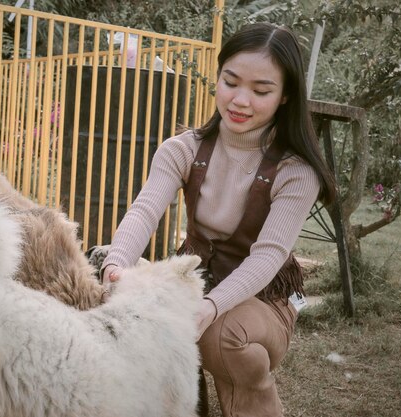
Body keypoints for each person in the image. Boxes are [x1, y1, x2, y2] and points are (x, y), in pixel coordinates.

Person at [100, 22, 336, 417]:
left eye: (261, 91)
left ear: (285, 96)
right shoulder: (183, 149)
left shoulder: (297, 171)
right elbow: (144, 211)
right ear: (218, 76)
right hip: (196, 280)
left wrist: (209, 306)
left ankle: (256, 400)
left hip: (265, 300)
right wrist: (115, 265)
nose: (241, 100)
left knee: (221, 336)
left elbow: (267, 257)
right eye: (231, 82)